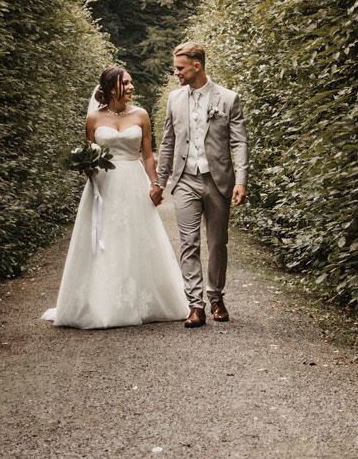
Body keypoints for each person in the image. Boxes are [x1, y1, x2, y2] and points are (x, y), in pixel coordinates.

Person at [43, 66, 187, 329]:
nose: (132, 87)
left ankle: (142, 301)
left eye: (132, 82)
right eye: (126, 83)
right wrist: (86, 166)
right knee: (104, 239)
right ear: (111, 88)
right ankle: (102, 302)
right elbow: (91, 152)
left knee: (137, 238)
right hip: (104, 185)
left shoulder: (141, 115)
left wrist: (155, 184)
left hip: (133, 181)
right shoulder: (93, 118)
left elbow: (146, 155)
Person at [152, 41, 247, 327]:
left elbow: (239, 142)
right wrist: (160, 180)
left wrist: (241, 180)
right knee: (188, 243)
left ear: (197, 65)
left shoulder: (229, 99)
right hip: (185, 180)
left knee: (218, 242)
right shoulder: (174, 99)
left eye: (180, 68)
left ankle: (216, 297)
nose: (176, 73)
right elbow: (167, 142)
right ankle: (195, 305)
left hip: (218, 180)